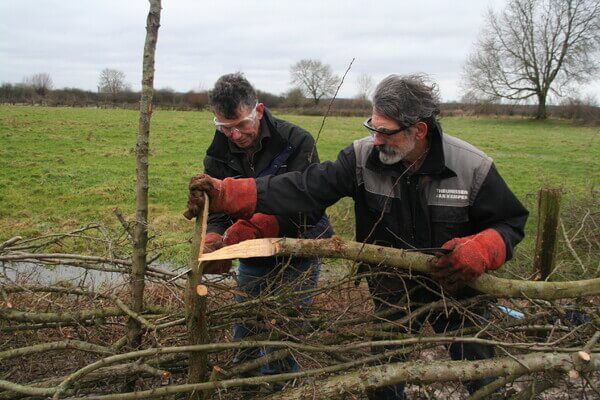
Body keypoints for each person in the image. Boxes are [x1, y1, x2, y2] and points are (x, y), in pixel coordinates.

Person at [186, 73, 529, 399]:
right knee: (382, 375)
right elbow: (306, 188)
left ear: (419, 130)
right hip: (392, 285)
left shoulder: (471, 167)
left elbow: (510, 222)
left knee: (481, 370)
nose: (375, 139)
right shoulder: (362, 158)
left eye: (385, 131)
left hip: (457, 285)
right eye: (372, 127)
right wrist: (231, 193)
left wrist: (482, 249)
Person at [184, 72, 333, 380]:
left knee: (285, 331)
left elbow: (307, 206)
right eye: (225, 128)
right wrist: (214, 235)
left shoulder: (296, 141)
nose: (235, 135)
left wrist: (258, 225)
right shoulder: (218, 152)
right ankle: (246, 384)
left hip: (298, 250)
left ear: (259, 111)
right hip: (251, 253)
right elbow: (217, 206)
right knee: (246, 328)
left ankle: (282, 386)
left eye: (241, 125)